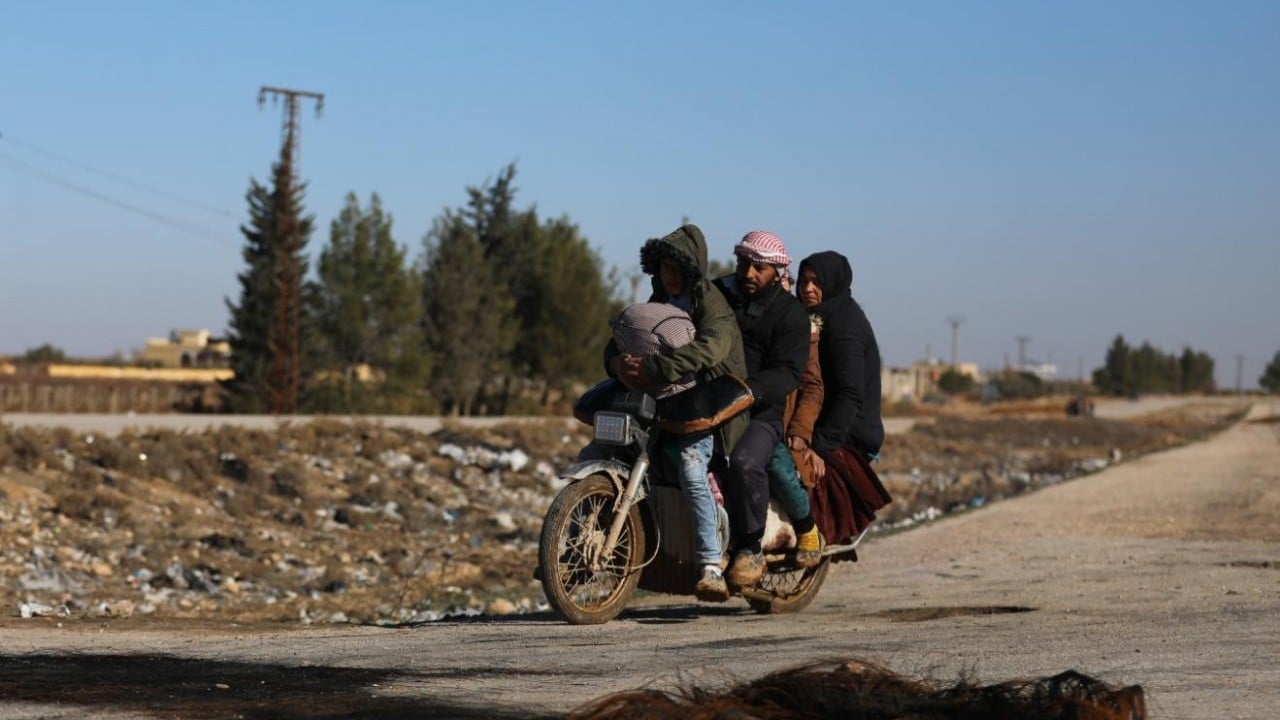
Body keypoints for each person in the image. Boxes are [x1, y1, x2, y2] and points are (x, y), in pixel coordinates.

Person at [605, 224, 748, 602]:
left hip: (711, 403)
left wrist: (654, 368)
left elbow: (710, 351)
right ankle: (568, 549)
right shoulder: (658, 299)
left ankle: (711, 565)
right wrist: (617, 363)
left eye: (674, 269)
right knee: (605, 451)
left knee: (690, 466)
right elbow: (624, 337)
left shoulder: (712, 303)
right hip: (661, 398)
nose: (668, 276)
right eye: (663, 269)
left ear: (689, 268)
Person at [711, 230, 811, 587]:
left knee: (743, 462)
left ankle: (750, 547)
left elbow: (788, 372)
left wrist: (752, 390)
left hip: (760, 412)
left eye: (759, 267)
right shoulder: (720, 294)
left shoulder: (791, 314)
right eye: (744, 264)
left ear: (776, 270)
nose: (749, 273)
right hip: (712, 402)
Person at [794, 251, 892, 543]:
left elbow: (849, 394)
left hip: (849, 431)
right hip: (826, 422)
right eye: (803, 281)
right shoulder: (817, 317)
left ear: (833, 283)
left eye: (817, 282)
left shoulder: (844, 325)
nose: (808, 288)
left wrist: (820, 446)